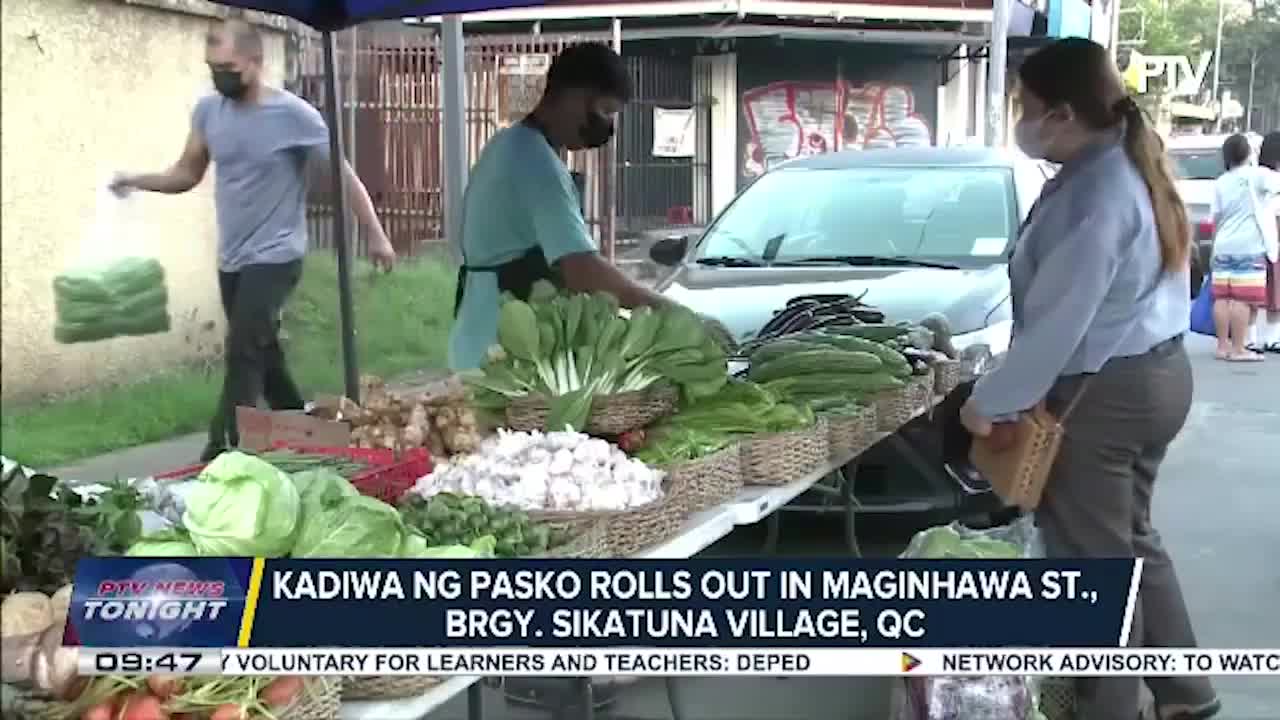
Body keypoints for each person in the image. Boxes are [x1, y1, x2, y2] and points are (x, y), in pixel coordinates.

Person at [958, 38, 1219, 720]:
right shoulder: (1116, 168)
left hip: (1106, 392)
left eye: (1027, 106)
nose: (1021, 118)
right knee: (1132, 543)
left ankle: (1111, 708)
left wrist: (989, 403)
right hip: (1155, 375)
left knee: (1096, 568)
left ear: (1064, 113)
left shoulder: (1099, 191)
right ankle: (1187, 693)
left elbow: (1060, 325)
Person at [110, 18, 397, 461]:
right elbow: (186, 172)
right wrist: (136, 180)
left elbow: (343, 177)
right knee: (264, 354)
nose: (218, 76)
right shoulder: (208, 112)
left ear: (255, 62)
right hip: (233, 259)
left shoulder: (294, 116)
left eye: (227, 67)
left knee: (243, 350)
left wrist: (375, 235)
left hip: (278, 255)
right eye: (212, 67)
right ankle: (309, 434)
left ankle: (220, 451)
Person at [448, 42, 678, 371]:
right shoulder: (535, 163)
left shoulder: (513, 144)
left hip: (484, 334)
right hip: (501, 352)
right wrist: (668, 310)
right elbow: (581, 270)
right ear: (573, 96)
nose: (609, 127)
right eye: (605, 111)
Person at [1208, 134, 1279, 360]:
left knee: (1222, 297)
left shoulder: (1221, 181)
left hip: (1223, 245)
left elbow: (1216, 216)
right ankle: (1239, 348)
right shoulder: (1258, 174)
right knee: (1242, 299)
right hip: (1248, 246)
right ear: (1249, 153)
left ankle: (1222, 346)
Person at [1248, 131, 1280, 353]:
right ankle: (1271, 337)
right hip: (1271, 236)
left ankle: (1253, 337)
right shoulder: (1269, 177)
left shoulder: (1254, 174)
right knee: (1273, 289)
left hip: (1257, 239)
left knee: (1258, 289)